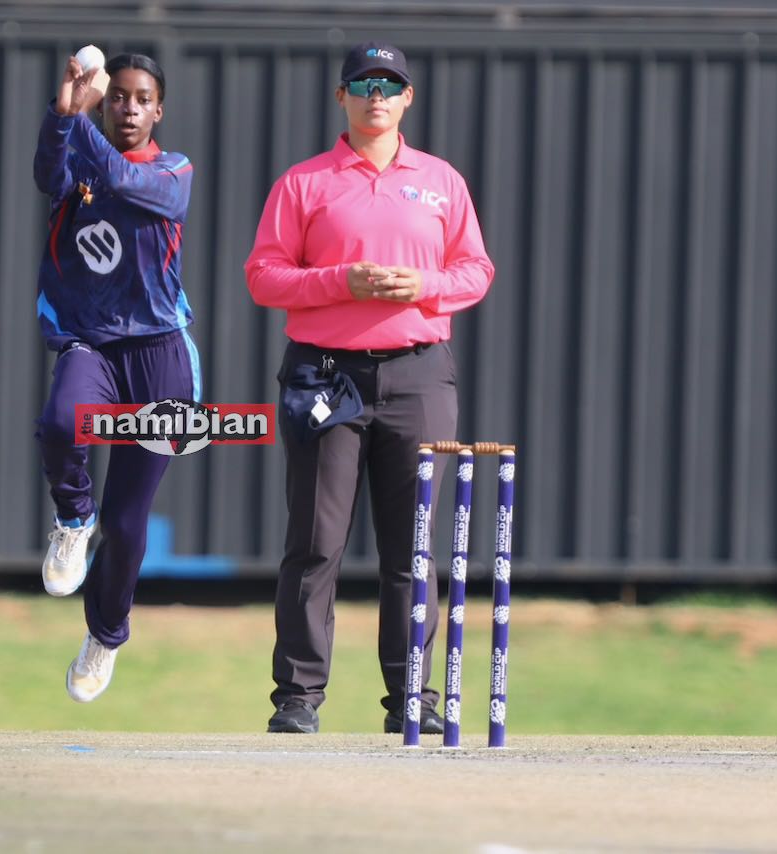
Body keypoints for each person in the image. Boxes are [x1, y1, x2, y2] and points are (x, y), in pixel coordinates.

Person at [244, 42, 494, 734]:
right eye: (362, 84)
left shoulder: (441, 181)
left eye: (389, 85)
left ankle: (412, 699)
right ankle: (298, 697)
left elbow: (475, 269)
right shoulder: (305, 183)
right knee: (316, 540)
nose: (375, 96)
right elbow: (263, 275)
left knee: (412, 547)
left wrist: (425, 285)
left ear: (408, 98)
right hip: (326, 373)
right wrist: (341, 281)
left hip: (419, 372)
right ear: (342, 97)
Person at [32, 52, 199, 703]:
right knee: (62, 421)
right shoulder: (78, 160)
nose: (129, 108)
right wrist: (62, 114)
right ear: (107, 103)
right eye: (119, 97)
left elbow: (125, 181)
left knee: (128, 527)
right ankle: (73, 517)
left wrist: (81, 120)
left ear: (158, 110)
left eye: (142, 99)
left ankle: (105, 634)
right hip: (91, 342)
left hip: (159, 355)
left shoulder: (173, 171)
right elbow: (48, 172)